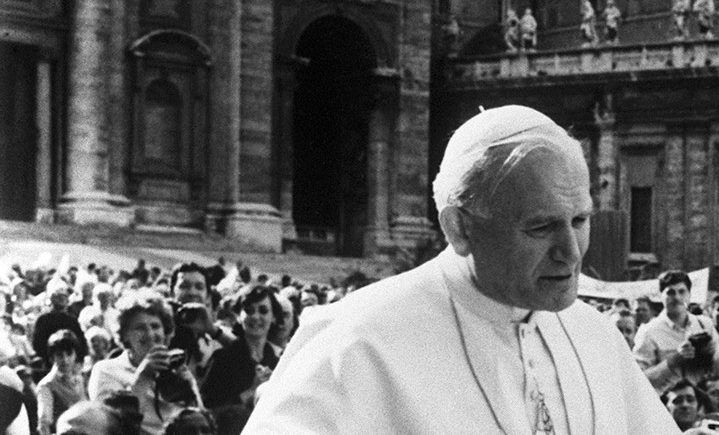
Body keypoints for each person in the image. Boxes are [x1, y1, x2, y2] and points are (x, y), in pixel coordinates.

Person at [243, 105, 678, 433]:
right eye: (541, 227)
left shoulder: (595, 337)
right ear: (459, 227)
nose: (570, 251)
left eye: (580, 220)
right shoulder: (357, 343)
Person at [87, 290, 202, 435]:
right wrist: (144, 376)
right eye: (140, 328)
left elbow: (201, 421)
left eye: (155, 326)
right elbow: (111, 426)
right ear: (124, 335)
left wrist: (189, 392)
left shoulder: (176, 369)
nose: (150, 334)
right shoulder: (106, 370)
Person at [199, 285, 282, 433]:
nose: (256, 316)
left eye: (263, 311)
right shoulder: (223, 359)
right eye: (249, 310)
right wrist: (251, 392)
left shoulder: (277, 362)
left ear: (274, 317)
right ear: (238, 315)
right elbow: (207, 413)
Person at [634, 270, 719, 393]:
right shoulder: (649, 332)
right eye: (670, 293)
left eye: (681, 292)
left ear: (689, 295)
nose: (677, 297)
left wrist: (710, 353)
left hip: (703, 401)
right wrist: (674, 360)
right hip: (667, 403)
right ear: (661, 295)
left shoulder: (705, 324)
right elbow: (638, 380)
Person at [36, 330, 86, 435]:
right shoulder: (47, 385)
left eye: (69, 354)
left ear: (75, 354)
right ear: (52, 358)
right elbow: (44, 424)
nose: (65, 360)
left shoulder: (80, 377)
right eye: (59, 355)